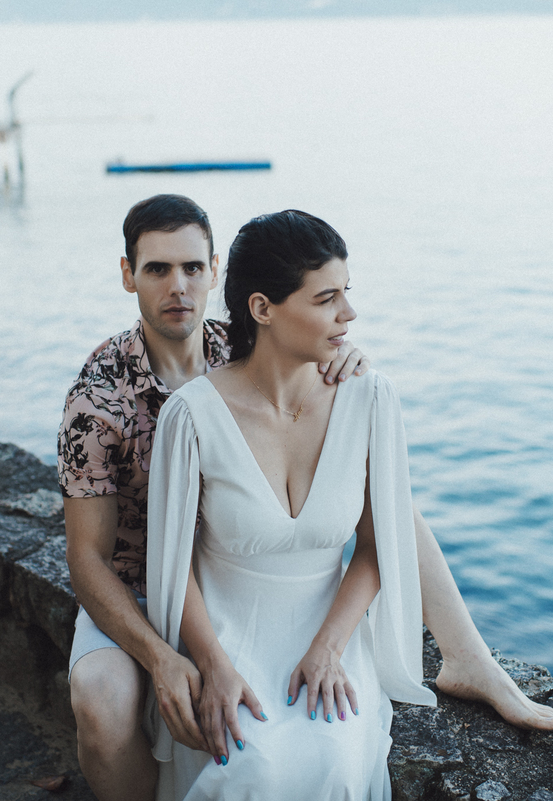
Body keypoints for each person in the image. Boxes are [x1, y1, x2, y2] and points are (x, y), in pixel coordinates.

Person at [59, 195, 553, 801]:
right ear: (127, 275)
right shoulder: (98, 397)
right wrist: (169, 659)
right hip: (144, 581)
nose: (179, 287)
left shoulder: (243, 344)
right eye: (157, 270)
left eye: (193, 268)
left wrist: (347, 374)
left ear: (217, 272)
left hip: (248, 559)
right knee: (112, 706)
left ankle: (467, 656)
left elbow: (300, 349)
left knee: (384, 493)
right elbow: (87, 560)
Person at [146, 209, 438, 798]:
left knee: (336, 758)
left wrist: (330, 648)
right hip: (226, 633)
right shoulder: (192, 416)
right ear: (263, 308)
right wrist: (215, 666)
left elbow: (379, 548)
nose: (349, 315)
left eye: (346, 294)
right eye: (327, 298)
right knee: (254, 766)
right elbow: (172, 569)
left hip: (330, 630)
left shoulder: (371, 398)